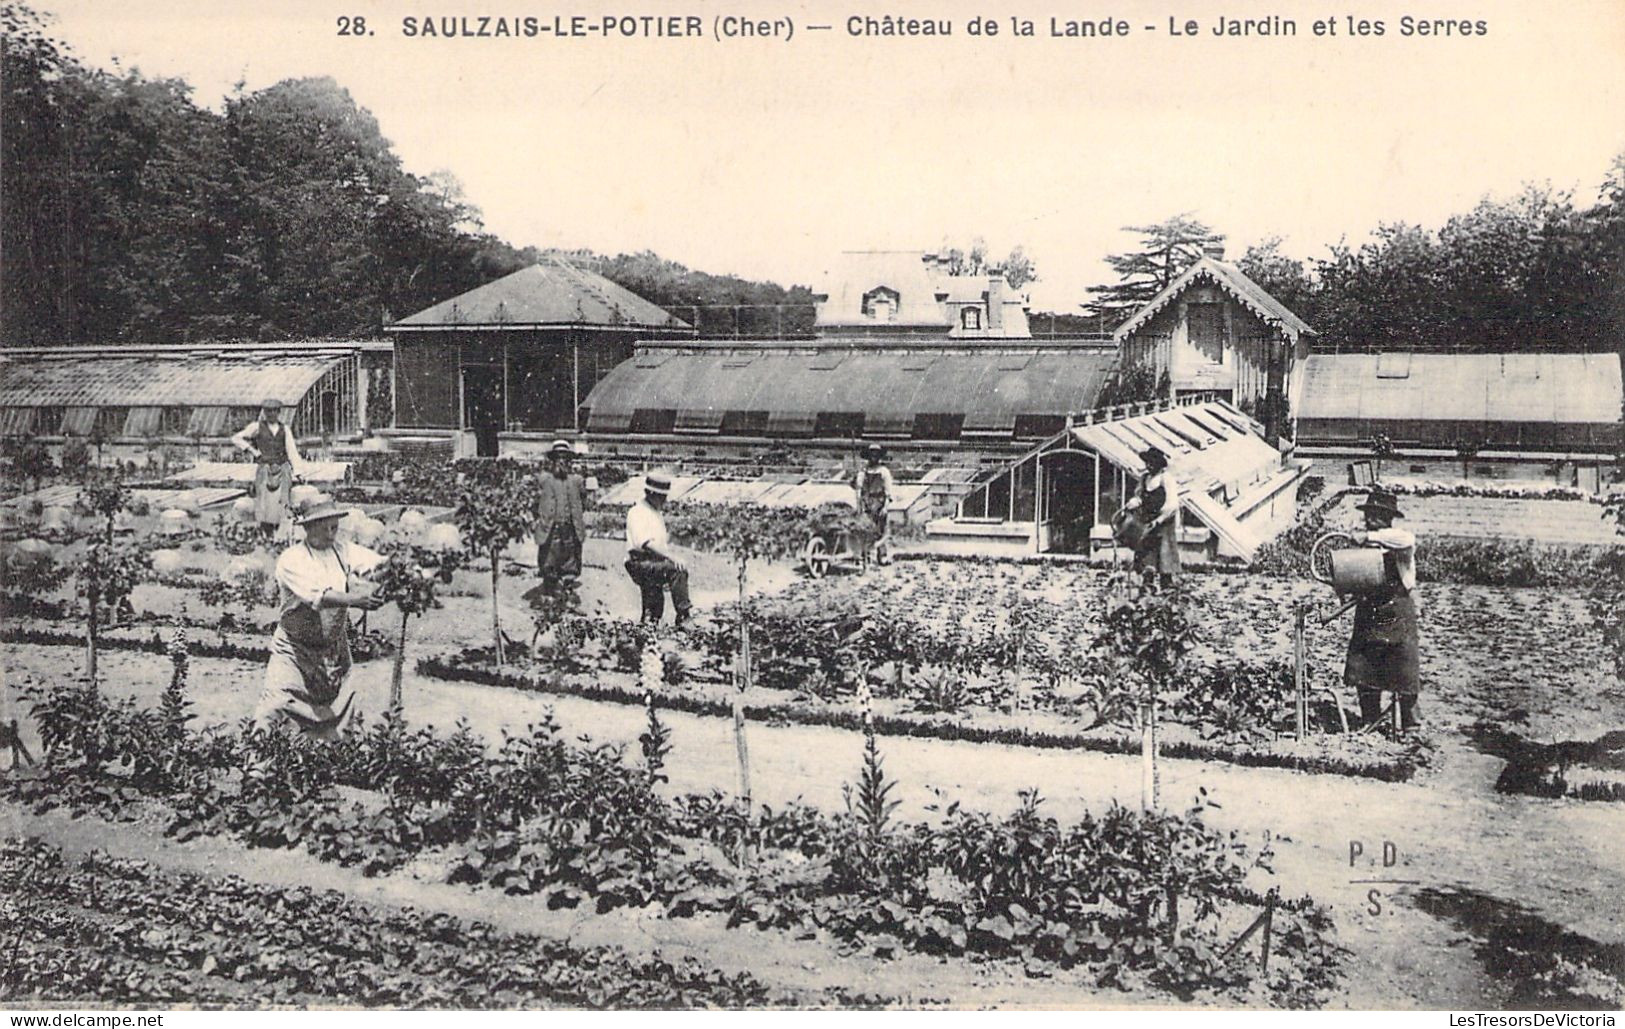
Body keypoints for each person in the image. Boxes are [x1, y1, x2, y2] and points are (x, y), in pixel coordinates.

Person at [252, 501, 383, 740]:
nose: (331, 534)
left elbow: (377, 565)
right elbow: (318, 595)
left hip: (332, 648)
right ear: (309, 528)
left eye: (335, 528)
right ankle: (257, 769)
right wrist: (355, 599)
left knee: (341, 707)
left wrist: (399, 572)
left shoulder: (342, 550)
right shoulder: (292, 559)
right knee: (276, 703)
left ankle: (332, 767)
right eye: (325, 529)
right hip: (294, 648)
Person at [1343, 489, 1422, 733]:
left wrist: (1368, 536)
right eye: (1367, 514)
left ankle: (1411, 725)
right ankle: (1371, 719)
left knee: (1403, 667)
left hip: (1397, 608)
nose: (1368, 519)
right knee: (1364, 663)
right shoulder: (1369, 544)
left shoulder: (1399, 542)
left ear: (1386, 518)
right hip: (1370, 610)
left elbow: (1406, 539)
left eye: (1374, 515)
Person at [232, 398, 305, 539]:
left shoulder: (285, 429)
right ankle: (265, 534)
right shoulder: (256, 427)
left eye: (274, 411)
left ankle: (281, 535)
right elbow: (236, 438)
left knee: (282, 502)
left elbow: (292, 451)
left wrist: (299, 472)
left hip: (282, 468)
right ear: (264, 412)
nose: (271, 414)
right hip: (264, 469)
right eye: (268, 411)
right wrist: (253, 451)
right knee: (264, 502)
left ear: (279, 412)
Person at [624, 471, 691, 625]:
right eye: (662, 497)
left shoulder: (655, 513)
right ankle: (684, 615)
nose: (664, 500)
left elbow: (660, 543)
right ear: (651, 493)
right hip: (639, 561)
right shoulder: (638, 512)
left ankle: (649, 623)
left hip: (651, 561)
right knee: (677, 570)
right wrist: (671, 557)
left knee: (653, 606)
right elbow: (645, 543)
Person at [531, 439, 586, 600]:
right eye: (557, 457)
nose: (561, 461)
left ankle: (567, 591)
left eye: (565, 458)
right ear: (552, 460)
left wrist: (575, 518)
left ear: (569, 461)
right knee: (549, 560)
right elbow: (534, 502)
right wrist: (542, 518)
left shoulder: (576, 481)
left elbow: (583, 501)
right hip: (550, 528)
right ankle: (549, 592)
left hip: (570, 527)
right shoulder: (544, 480)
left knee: (570, 560)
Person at [1122, 448, 1181, 582]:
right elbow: (1140, 497)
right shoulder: (1145, 479)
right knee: (1146, 560)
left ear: (1160, 464)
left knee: (1164, 561)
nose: (1149, 465)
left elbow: (1172, 505)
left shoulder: (1166, 479)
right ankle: (1147, 591)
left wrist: (1159, 520)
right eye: (1147, 462)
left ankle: (1167, 592)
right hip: (1146, 523)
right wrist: (1134, 502)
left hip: (1163, 525)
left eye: (1152, 462)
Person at [852, 443, 894, 566]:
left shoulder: (883, 471)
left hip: (879, 503)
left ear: (879, 456)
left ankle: (883, 556)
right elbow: (858, 487)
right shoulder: (863, 471)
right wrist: (859, 503)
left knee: (881, 530)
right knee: (865, 530)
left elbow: (888, 491)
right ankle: (865, 556)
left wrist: (885, 506)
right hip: (867, 502)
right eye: (871, 454)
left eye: (876, 454)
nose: (873, 457)